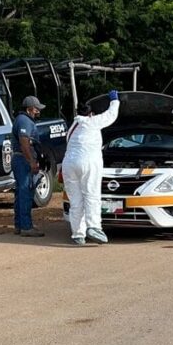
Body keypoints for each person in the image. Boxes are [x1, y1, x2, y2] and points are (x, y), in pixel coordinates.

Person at [62, 89, 120, 246]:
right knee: (91, 195)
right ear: (91, 113)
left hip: (69, 165)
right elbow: (111, 115)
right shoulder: (92, 122)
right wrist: (114, 100)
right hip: (88, 162)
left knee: (76, 200)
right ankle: (94, 227)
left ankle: (78, 234)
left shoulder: (73, 126)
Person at [11, 95, 46, 237]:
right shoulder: (24, 121)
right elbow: (24, 143)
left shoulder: (23, 120)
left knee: (21, 193)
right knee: (26, 192)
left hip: (21, 160)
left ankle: (20, 225)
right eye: (36, 109)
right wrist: (31, 161)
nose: (38, 111)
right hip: (23, 161)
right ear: (29, 109)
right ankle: (26, 226)